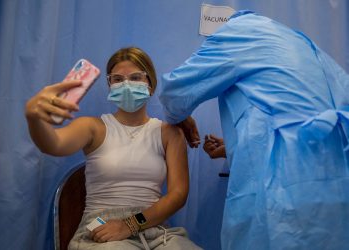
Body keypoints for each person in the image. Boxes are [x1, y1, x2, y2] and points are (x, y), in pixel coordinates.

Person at [159, 10, 349, 250]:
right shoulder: (304, 45)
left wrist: (179, 117)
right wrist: (236, 149)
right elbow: (316, 117)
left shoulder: (239, 32)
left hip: (284, 185)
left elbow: (176, 92)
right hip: (336, 179)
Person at [25, 47, 202, 249]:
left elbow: (178, 195)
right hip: (102, 230)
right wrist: (35, 119)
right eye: (118, 79)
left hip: (154, 228)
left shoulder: (170, 133)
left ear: (150, 85)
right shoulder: (92, 127)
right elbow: (53, 144)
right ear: (109, 85)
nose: (126, 84)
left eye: (136, 77)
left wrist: (130, 224)